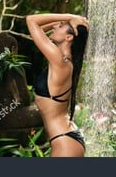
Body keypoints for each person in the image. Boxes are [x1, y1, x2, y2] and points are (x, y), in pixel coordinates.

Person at [26, 13, 89, 157]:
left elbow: (31, 20)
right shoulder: (63, 60)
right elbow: (37, 30)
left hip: (65, 141)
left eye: (60, 26)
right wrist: (67, 21)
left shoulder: (60, 61)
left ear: (68, 37)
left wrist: (69, 16)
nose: (55, 25)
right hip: (65, 138)